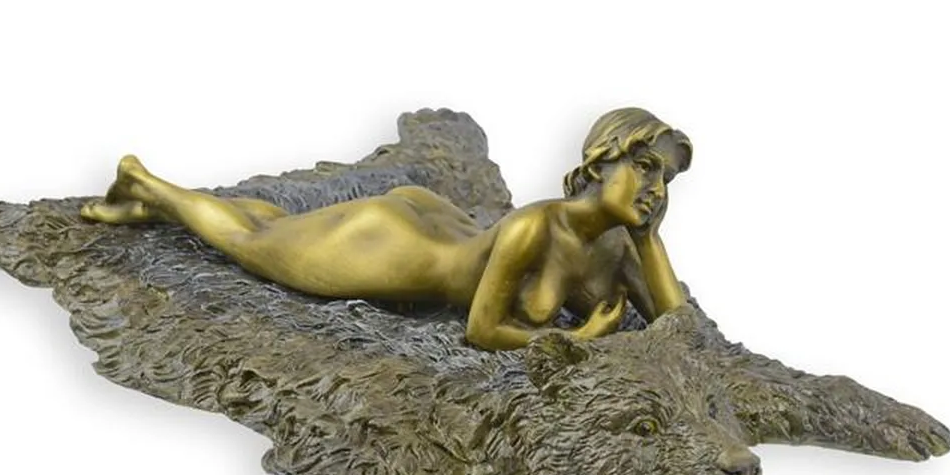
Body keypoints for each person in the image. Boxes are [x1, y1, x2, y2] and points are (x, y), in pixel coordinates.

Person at [80, 107, 692, 351]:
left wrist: (648, 237)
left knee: (280, 227)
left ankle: (160, 203)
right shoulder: (536, 227)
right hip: (392, 247)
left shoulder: (617, 247)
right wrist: (579, 339)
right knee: (253, 244)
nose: (656, 187)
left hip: (439, 222)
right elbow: (481, 331)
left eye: (664, 176)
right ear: (598, 164)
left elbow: (680, 324)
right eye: (644, 167)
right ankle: (146, 185)